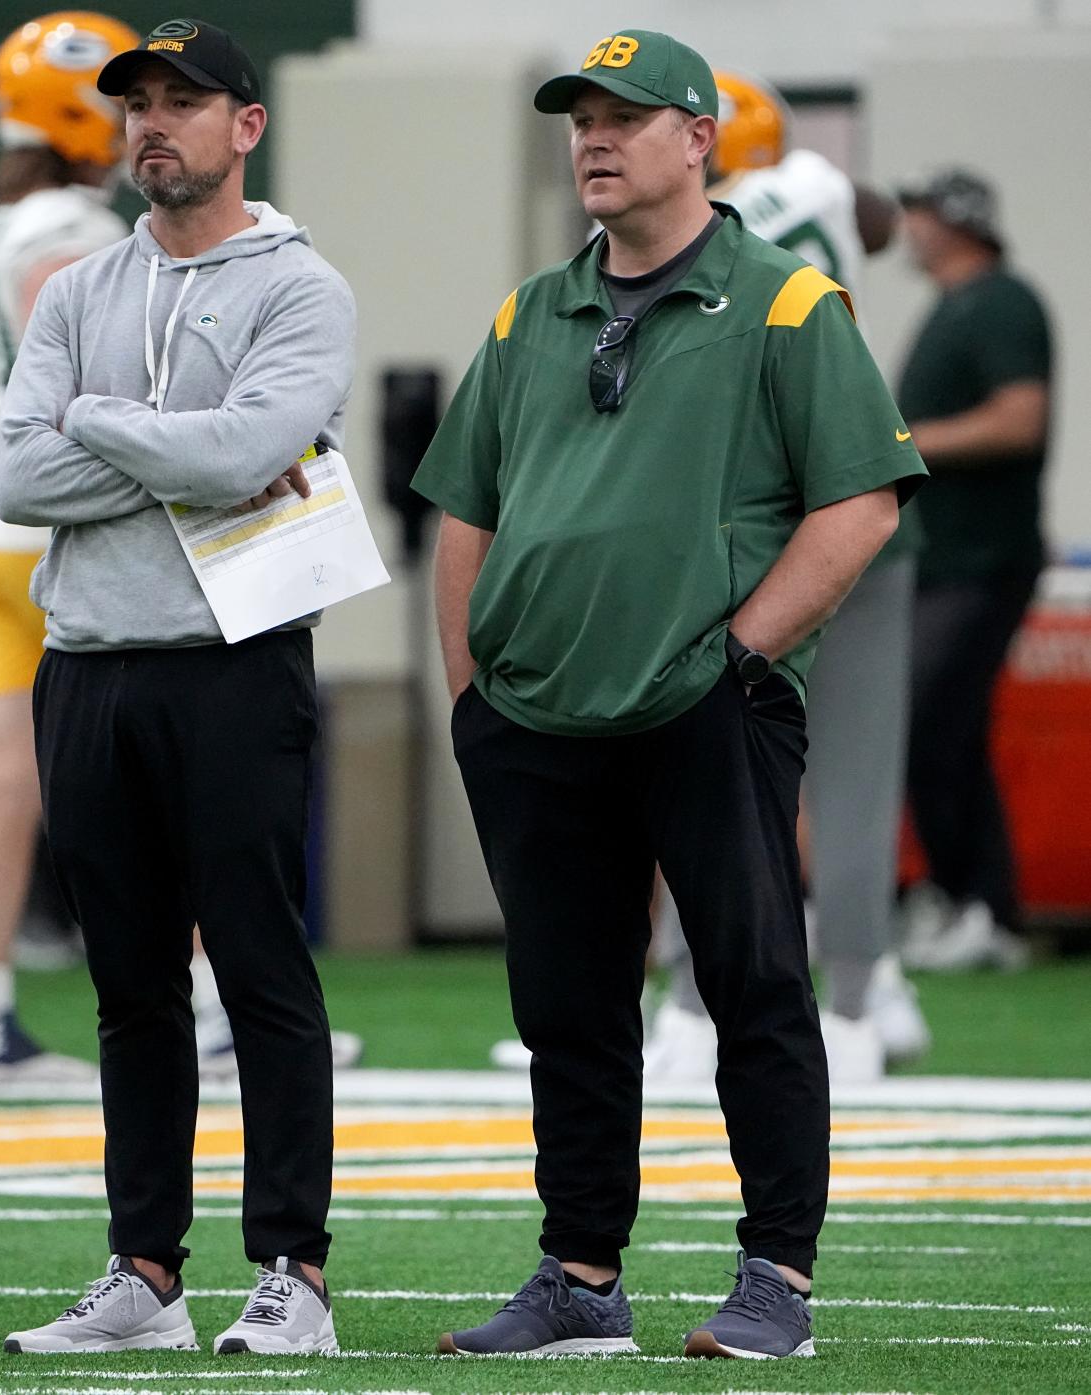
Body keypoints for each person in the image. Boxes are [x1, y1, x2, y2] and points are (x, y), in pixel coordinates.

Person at [411, 29, 925, 1360]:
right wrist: (473, 697)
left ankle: (776, 1280)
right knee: (567, 1004)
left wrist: (738, 659)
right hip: (535, 720)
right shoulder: (530, 311)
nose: (591, 138)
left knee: (751, 983)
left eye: (624, 118)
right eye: (579, 118)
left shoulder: (787, 303)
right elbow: (464, 508)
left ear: (695, 139)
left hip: (704, 705)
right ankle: (578, 1274)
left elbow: (859, 500)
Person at [0, 18, 353, 1356]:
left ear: (243, 126)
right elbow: (16, 478)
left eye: (182, 101)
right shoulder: (80, 288)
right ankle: (144, 1267)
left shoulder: (300, 286)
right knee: (131, 985)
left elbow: (257, 445)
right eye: (136, 102)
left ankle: (295, 1273)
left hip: (233, 665)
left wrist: (89, 423)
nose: (153, 122)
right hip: (85, 662)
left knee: (260, 967)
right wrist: (169, 448)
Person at [646, 70, 931, 1084]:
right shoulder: (812, 186)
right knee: (854, 778)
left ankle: (689, 1009)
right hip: (858, 499)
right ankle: (857, 1000)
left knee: (704, 759)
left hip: (752, 523)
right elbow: (883, 223)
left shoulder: (683, 231)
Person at [0, 10, 139, 1087]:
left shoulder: (0, 221)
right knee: (159, 769)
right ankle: (201, 1005)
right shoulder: (73, 230)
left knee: (7, 778)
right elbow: (87, 378)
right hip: (54, 530)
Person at [894, 169, 1052, 972]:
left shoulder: (1001, 302)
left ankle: (984, 904)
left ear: (955, 223)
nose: (909, 225)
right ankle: (968, 900)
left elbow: (1021, 417)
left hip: (982, 560)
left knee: (932, 722)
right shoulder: (953, 308)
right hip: (942, 560)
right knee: (940, 729)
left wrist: (908, 443)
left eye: (921, 212)